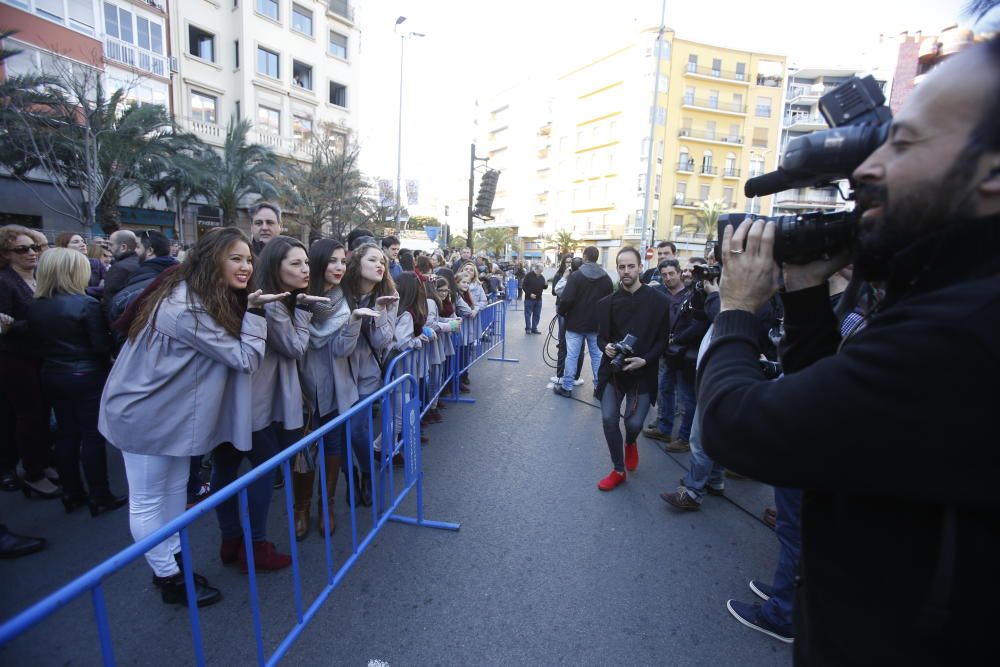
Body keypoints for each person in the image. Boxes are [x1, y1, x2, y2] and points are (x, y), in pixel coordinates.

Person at [697, 40, 1000, 662]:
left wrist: (736, 310)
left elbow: (737, 428)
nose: (864, 170)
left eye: (906, 144)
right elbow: (828, 418)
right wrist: (807, 298)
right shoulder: (953, 295)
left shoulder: (961, 329)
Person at [99, 227, 271, 608]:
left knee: (175, 490)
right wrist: (256, 311)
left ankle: (173, 561)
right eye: (235, 258)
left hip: (168, 416)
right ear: (212, 260)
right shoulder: (186, 307)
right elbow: (245, 358)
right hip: (143, 415)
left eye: (248, 259)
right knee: (147, 500)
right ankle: (169, 577)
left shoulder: (199, 296)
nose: (245, 267)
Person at [214, 236, 323, 573]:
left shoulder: (262, 298)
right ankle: (255, 546)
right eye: (295, 263)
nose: (305, 269)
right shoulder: (272, 303)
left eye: (306, 263)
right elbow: (294, 347)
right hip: (256, 405)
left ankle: (232, 541)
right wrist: (304, 309)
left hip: (237, 401)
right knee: (262, 470)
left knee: (226, 469)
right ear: (275, 267)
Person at [26, 249, 125, 516]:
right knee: (92, 437)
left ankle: (72, 493)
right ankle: (99, 495)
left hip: (51, 374)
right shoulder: (86, 304)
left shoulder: (34, 305)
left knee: (66, 435)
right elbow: (100, 346)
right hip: (85, 375)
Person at [593, 247, 670, 490]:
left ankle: (631, 442)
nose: (626, 271)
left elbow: (662, 340)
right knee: (608, 418)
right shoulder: (606, 304)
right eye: (622, 267)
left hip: (643, 372)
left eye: (631, 266)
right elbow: (601, 338)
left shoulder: (659, 301)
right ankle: (618, 469)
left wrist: (645, 360)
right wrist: (606, 348)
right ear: (617, 269)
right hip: (613, 373)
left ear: (640, 268)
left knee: (634, 424)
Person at [295, 239, 351, 538]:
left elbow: (344, 347)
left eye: (343, 261)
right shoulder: (298, 297)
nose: (339, 267)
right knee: (304, 447)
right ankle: (300, 508)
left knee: (333, 443)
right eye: (332, 261)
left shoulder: (346, 300)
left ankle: (326, 504)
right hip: (301, 383)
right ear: (317, 263)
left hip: (334, 381)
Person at [0, 226, 60, 498]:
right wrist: (35, 324)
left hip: (42, 355)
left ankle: (44, 462)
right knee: (29, 415)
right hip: (17, 360)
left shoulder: (38, 277)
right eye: (22, 249)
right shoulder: (4, 282)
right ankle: (32, 471)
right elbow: (4, 326)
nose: (31, 253)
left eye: (34, 247)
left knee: (44, 411)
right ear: (6, 254)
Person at [339, 243, 399, 505]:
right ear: (356, 263)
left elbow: (381, 341)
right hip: (338, 369)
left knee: (357, 431)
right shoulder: (340, 292)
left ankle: (365, 472)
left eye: (382, 261)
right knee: (335, 432)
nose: (380, 265)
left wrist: (381, 310)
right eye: (373, 259)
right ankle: (348, 474)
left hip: (367, 373)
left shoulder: (388, 294)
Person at [643, 259, 695, 450]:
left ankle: (685, 438)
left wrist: (679, 339)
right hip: (666, 352)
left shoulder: (691, 295)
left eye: (671, 273)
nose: (668, 278)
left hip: (685, 353)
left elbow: (695, 325)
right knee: (664, 389)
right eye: (664, 275)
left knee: (687, 397)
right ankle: (664, 429)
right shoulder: (659, 293)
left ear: (679, 273)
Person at [554, 246, 613, 398]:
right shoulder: (606, 278)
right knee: (597, 357)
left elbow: (566, 299)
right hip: (596, 325)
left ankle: (567, 387)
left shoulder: (576, 276)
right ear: (597, 257)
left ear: (585, 257)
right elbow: (610, 303)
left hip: (575, 324)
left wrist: (561, 312)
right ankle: (599, 388)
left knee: (572, 356)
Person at [550, 253, 584, 385]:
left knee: (574, 346)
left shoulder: (577, 277)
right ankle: (561, 375)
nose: (569, 265)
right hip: (564, 311)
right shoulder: (561, 275)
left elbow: (560, 291)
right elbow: (555, 291)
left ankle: (573, 377)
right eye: (567, 262)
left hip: (574, 313)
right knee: (564, 343)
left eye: (571, 263)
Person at [102, 230, 140, 314]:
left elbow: (110, 300)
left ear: (123, 247)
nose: (108, 248)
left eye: (111, 244)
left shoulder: (118, 268)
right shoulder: (142, 263)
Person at [521, 262, 546, 334]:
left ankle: (534, 328)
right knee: (528, 314)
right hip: (529, 299)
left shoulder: (542, 277)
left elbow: (544, 287)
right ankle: (528, 328)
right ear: (537, 268)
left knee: (537, 315)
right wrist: (529, 294)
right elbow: (524, 286)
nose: (542, 271)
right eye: (541, 269)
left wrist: (546, 285)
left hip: (539, 299)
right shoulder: (528, 276)